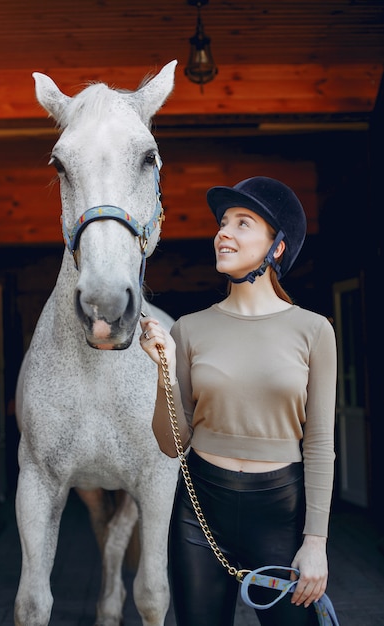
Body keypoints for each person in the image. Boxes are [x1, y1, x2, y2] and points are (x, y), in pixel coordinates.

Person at [140, 176, 337, 626]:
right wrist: (164, 371)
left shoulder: (313, 331)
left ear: (277, 248)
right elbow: (172, 444)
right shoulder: (188, 330)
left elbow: (320, 444)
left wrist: (315, 542)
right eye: (223, 222)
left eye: (242, 223)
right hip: (200, 514)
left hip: (280, 515)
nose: (222, 232)